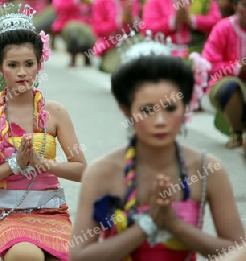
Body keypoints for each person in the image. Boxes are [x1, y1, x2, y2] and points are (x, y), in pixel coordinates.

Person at [70, 54, 244, 261]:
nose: (160, 120)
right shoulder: (102, 172)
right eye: (147, 110)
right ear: (126, 111)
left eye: (170, 108)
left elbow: (238, 251)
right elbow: (80, 255)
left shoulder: (207, 168)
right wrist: (148, 224)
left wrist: (175, 225)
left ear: (186, 107)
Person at [0, 3, 87, 261]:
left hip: (51, 211)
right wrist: (13, 165)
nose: (21, 72)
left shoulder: (56, 113)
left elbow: (82, 169)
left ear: (40, 64)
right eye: (12, 64)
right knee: (28, 257)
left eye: (29, 63)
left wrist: (46, 164)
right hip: (6, 212)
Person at [202, 0, 246, 148]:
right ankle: (236, 133)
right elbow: (208, 64)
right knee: (230, 86)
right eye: (245, 5)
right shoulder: (223, 28)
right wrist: (237, 68)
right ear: (235, 6)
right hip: (226, 83)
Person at [92, 0, 148, 73]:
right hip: (111, 47)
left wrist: (132, 21)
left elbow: (149, 26)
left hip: (136, 42)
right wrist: (121, 21)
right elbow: (97, 29)